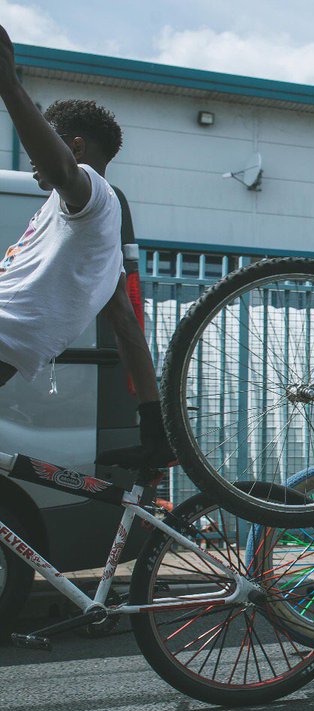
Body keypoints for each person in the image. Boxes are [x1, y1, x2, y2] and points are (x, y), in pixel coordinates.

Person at [0, 24, 170, 467]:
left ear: (73, 146)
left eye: (42, 144)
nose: (32, 155)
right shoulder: (100, 244)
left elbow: (60, 170)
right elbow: (127, 329)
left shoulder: (92, 192)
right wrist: (154, 425)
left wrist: (9, 86)